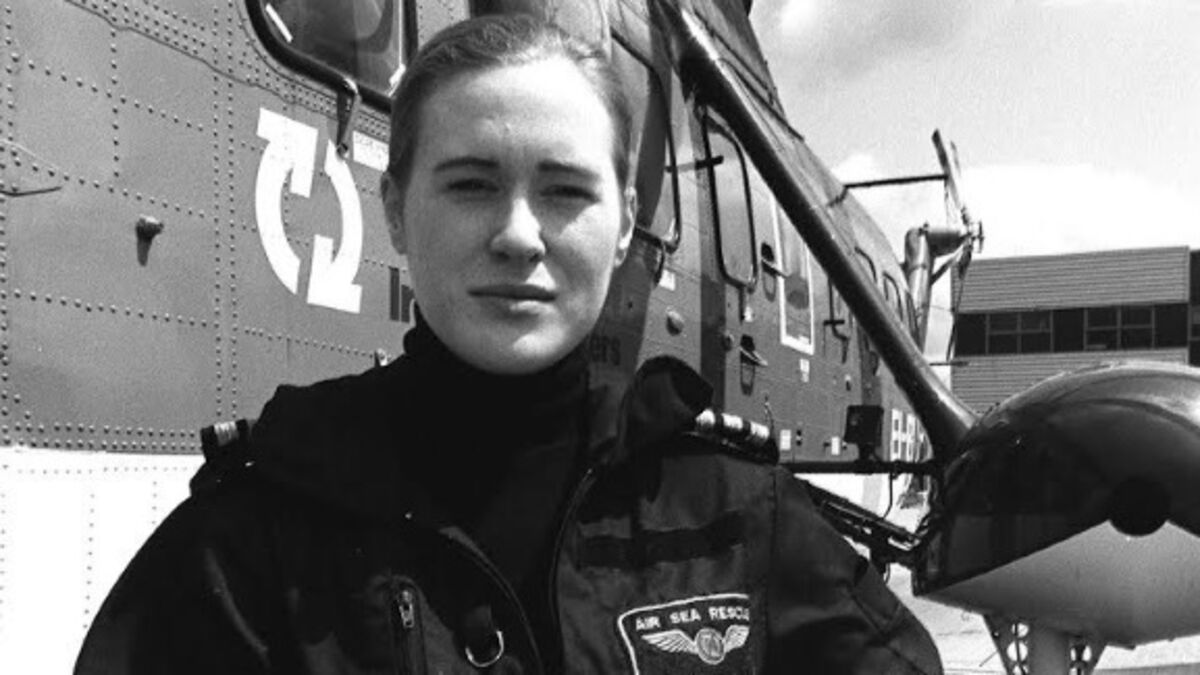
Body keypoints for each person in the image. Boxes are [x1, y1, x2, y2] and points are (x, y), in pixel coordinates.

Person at [75, 13, 942, 675]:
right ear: (396, 211)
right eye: (471, 185)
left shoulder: (740, 515)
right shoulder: (253, 535)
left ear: (624, 225)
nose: (519, 236)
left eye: (565, 191)